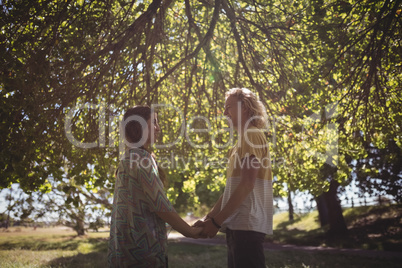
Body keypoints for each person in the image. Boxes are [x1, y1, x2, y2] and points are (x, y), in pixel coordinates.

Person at [108, 105, 202, 268]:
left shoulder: (128, 158)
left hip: (124, 252)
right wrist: (190, 231)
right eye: (155, 123)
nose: (159, 128)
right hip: (143, 254)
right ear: (140, 126)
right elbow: (160, 205)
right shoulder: (141, 158)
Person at [194, 88, 273, 268]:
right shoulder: (239, 144)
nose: (224, 113)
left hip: (247, 226)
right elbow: (231, 191)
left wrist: (216, 222)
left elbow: (247, 185)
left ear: (244, 107)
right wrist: (209, 219)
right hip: (238, 227)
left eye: (228, 107)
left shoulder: (251, 134)